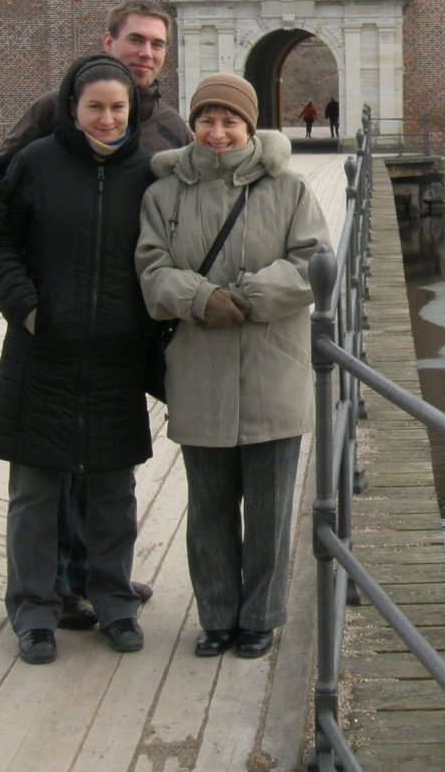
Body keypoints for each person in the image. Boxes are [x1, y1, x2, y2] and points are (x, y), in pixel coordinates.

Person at [0, 3, 190, 630]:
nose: (146, 53)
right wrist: (24, 297)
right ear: (108, 42)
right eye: (135, 41)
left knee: (108, 468)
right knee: (48, 473)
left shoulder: (167, 128)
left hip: (120, 330)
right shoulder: (49, 115)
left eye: (157, 45)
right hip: (54, 324)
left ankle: (97, 579)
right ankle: (53, 587)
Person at [135, 73, 330, 660]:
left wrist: (245, 297)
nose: (217, 133)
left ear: (251, 127)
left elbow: (314, 263)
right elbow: (150, 269)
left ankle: (261, 617)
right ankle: (217, 615)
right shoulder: (162, 196)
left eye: (230, 121)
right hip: (200, 369)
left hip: (274, 366)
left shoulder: (289, 190)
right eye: (206, 120)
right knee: (210, 506)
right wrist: (199, 299)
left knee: (270, 508)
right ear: (192, 124)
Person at [0, 55, 155, 665]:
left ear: (131, 110)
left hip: (114, 354)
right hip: (42, 348)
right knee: (34, 487)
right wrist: (26, 307)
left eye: (117, 108)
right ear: (72, 109)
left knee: (113, 485)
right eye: (94, 107)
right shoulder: (38, 162)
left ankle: (113, 599)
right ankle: (33, 608)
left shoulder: (147, 174)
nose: (107, 119)